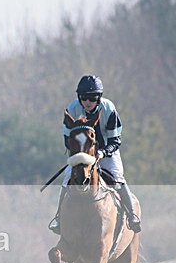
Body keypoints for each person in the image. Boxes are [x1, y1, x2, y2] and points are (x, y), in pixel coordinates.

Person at [49, 74, 142, 234]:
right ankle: (59, 218)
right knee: (67, 179)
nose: (87, 102)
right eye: (84, 98)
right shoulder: (72, 109)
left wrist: (101, 153)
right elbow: (67, 140)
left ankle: (132, 215)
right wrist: (81, 155)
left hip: (106, 152)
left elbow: (115, 141)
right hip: (82, 154)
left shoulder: (109, 109)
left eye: (92, 98)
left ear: (99, 98)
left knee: (117, 176)